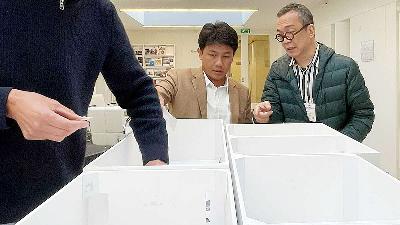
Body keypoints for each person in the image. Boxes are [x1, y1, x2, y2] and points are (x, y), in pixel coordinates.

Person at [0, 0, 168, 223]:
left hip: (61, 199)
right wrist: (9, 102)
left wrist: (155, 157)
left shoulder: (100, 12)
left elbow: (139, 91)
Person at [253, 3, 374, 142]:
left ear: (310, 31)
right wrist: (263, 117)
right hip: (296, 152)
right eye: (280, 35)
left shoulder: (345, 67)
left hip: (337, 155)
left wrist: (340, 143)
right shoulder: (278, 70)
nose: (285, 41)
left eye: (290, 33)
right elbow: (274, 115)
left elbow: (363, 114)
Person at [156, 22, 252, 124]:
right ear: (200, 53)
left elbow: (246, 131)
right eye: (212, 55)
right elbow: (159, 92)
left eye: (226, 56)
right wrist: (155, 98)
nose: (219, 63)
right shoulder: (178, 79)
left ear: (233, 56)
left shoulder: (243, 93)